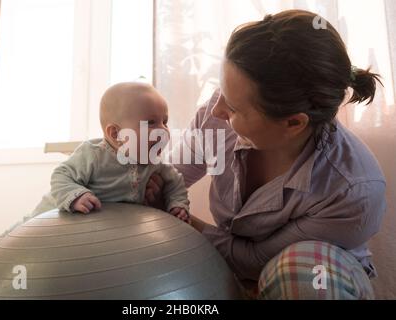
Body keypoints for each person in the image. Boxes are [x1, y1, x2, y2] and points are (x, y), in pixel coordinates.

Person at [145, 10, 386, 299]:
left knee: (300, 274)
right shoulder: (216, 118)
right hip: (231, 270)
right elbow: (167, 179)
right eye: (220, 90)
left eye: (234, 108)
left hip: (315, 281)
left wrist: (184, 220)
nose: (217, 110)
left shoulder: (353, 190)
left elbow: (255, 261)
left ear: (293, 123)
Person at [32, 82, 190, 222]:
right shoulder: (94, 155)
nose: (162, 130)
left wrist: (178, 204)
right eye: (151, 123)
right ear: (116, 134)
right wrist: (76, 196)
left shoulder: (154, 162)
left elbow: (175, 182)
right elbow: (61, 175)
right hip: (48, 221)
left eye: (165, 121)